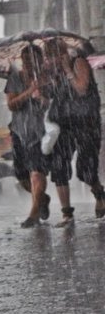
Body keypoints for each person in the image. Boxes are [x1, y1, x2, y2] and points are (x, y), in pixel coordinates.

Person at [43, 42, 105, 226]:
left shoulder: (79, 62)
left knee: (85, 169)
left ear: (61, 53)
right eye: (47, 57)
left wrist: (68, 69)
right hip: (64, 125)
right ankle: (67, 214)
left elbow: (82, 88)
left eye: (52, 56)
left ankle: (99, 194)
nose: (49, 61)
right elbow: (55, 98)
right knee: (59, 167)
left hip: (86, 123)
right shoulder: (55, 73)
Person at [5, 43, 54, 228]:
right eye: (26, 61)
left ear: (41, 62)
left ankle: (33, 215)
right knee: (22, 176)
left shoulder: (49, 78)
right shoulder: (15, 78)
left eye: (34, 61)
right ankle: (43, 199)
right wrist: (28, 92)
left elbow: (57, 103)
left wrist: (42, 98)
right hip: (19, 131)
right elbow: (11, 104)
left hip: (42, 133)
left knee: (37, 173)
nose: (30, 65)